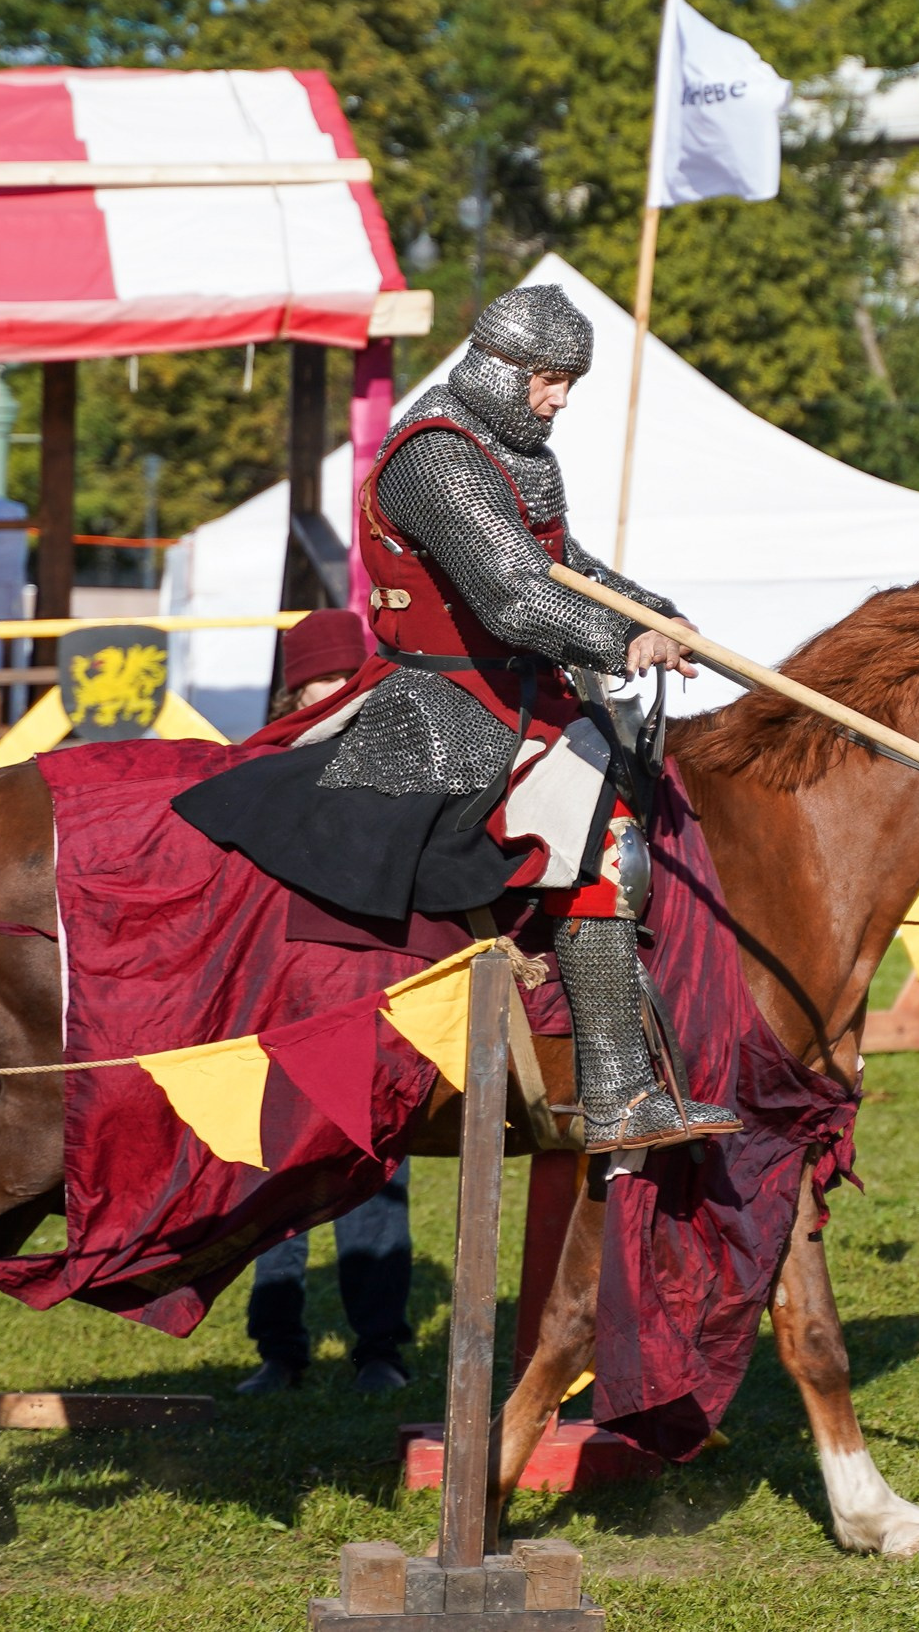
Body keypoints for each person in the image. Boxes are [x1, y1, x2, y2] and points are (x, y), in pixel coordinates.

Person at [176, 285, 738, 1152]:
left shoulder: (514, 454)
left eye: (570, 385)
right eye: (550, 381)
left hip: (524, 693)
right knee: (606, 843)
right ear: (498, 366)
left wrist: (657, 614)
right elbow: (514, 599)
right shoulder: (436, 458)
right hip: (451, 702)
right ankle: (617, 1095)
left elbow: (566, 565)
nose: (559, 401)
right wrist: (617, 641)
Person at [241, 608, 415, 1396]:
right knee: (276, 1179)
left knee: (376, 1175)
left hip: (375, 999)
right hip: (280, 1003)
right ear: (293, 688)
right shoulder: (256, 769)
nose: (334, 693)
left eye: (347, 678)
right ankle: (279, 1349)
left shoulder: (401, 762)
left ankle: (380, 1348)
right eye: (319, 679)